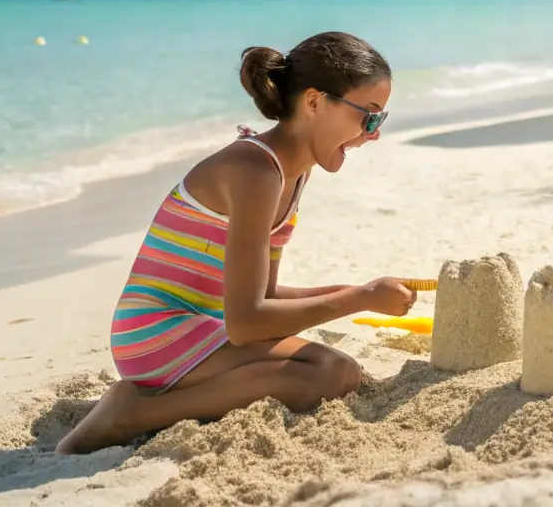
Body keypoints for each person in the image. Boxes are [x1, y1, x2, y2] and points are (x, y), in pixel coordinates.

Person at [57, 32, 413, 455]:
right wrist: (359, 299)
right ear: (315, 102)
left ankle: (147, 406)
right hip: (158, 331)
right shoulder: (255, 171)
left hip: (207, 327)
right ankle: (130, 414)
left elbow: (261, 298)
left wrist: (363, 291)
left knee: (333, 371)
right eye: (367, 117)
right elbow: (248, 323)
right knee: (330, 373)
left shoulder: (294, 172)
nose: (372, 134)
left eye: (380, 120)